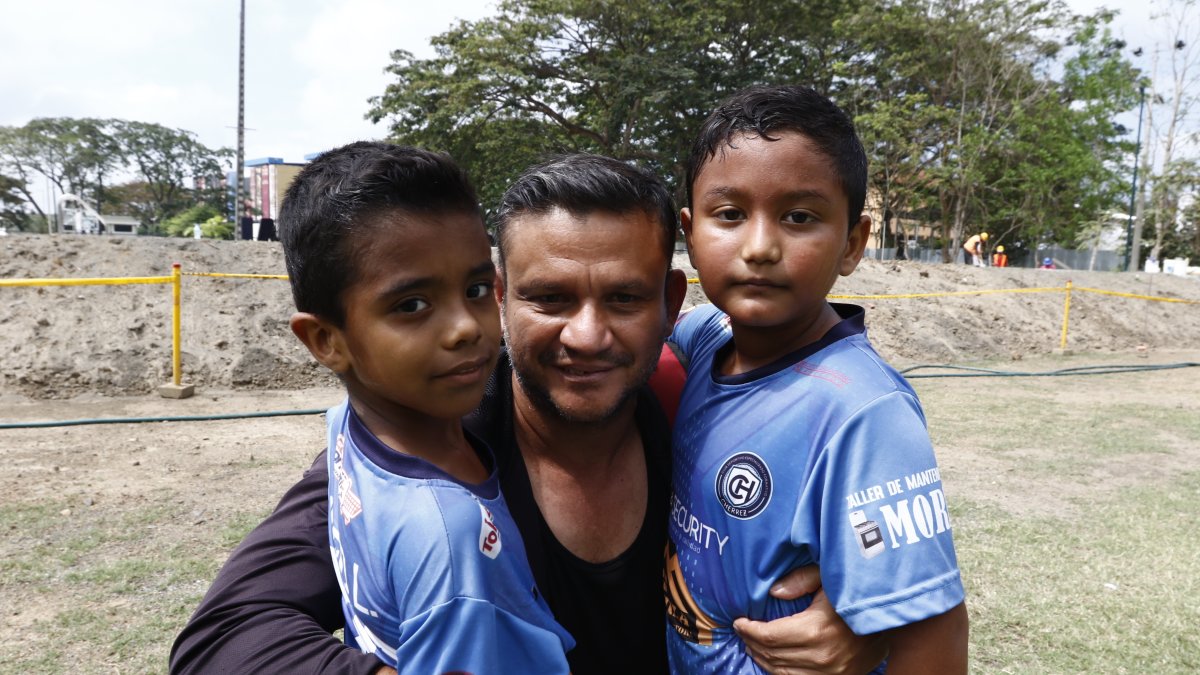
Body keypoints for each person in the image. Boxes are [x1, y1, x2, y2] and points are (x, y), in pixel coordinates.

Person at [170, 153, 879, 675]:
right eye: (551, 299)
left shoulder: (700, 407)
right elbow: (223, 638)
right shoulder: (430, 443)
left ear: (670, 303)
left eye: (624, 299)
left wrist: (861, 616)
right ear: (502, 297)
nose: (588, 336)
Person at [666, 85, 968, 673]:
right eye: (729, 215)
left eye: (799, 217)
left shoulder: (864, 413)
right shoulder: (705, 340)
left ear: (852, 243)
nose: (759, 247)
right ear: (691, 234)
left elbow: (935, 632)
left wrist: (875, 627)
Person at [279, 141, 573, 671]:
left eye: (477, 289)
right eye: (412, 305)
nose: (465, 327)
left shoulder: (349, 429)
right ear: (325, 340)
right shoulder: (453, 538)